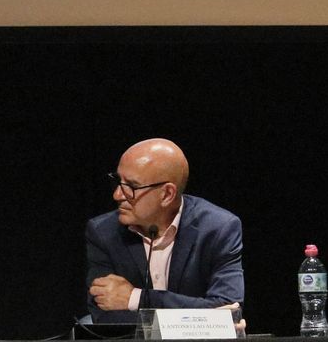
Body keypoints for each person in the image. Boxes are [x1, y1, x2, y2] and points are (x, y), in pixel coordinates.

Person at [84, 139, 243, 326]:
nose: (117, 195)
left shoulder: (218, 228)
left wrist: (137, 299)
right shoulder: (103, 232)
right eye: (118, 181)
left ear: (167, 194)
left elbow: (228, 310)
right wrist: (200, 319)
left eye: (132, 186)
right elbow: (103, 317)